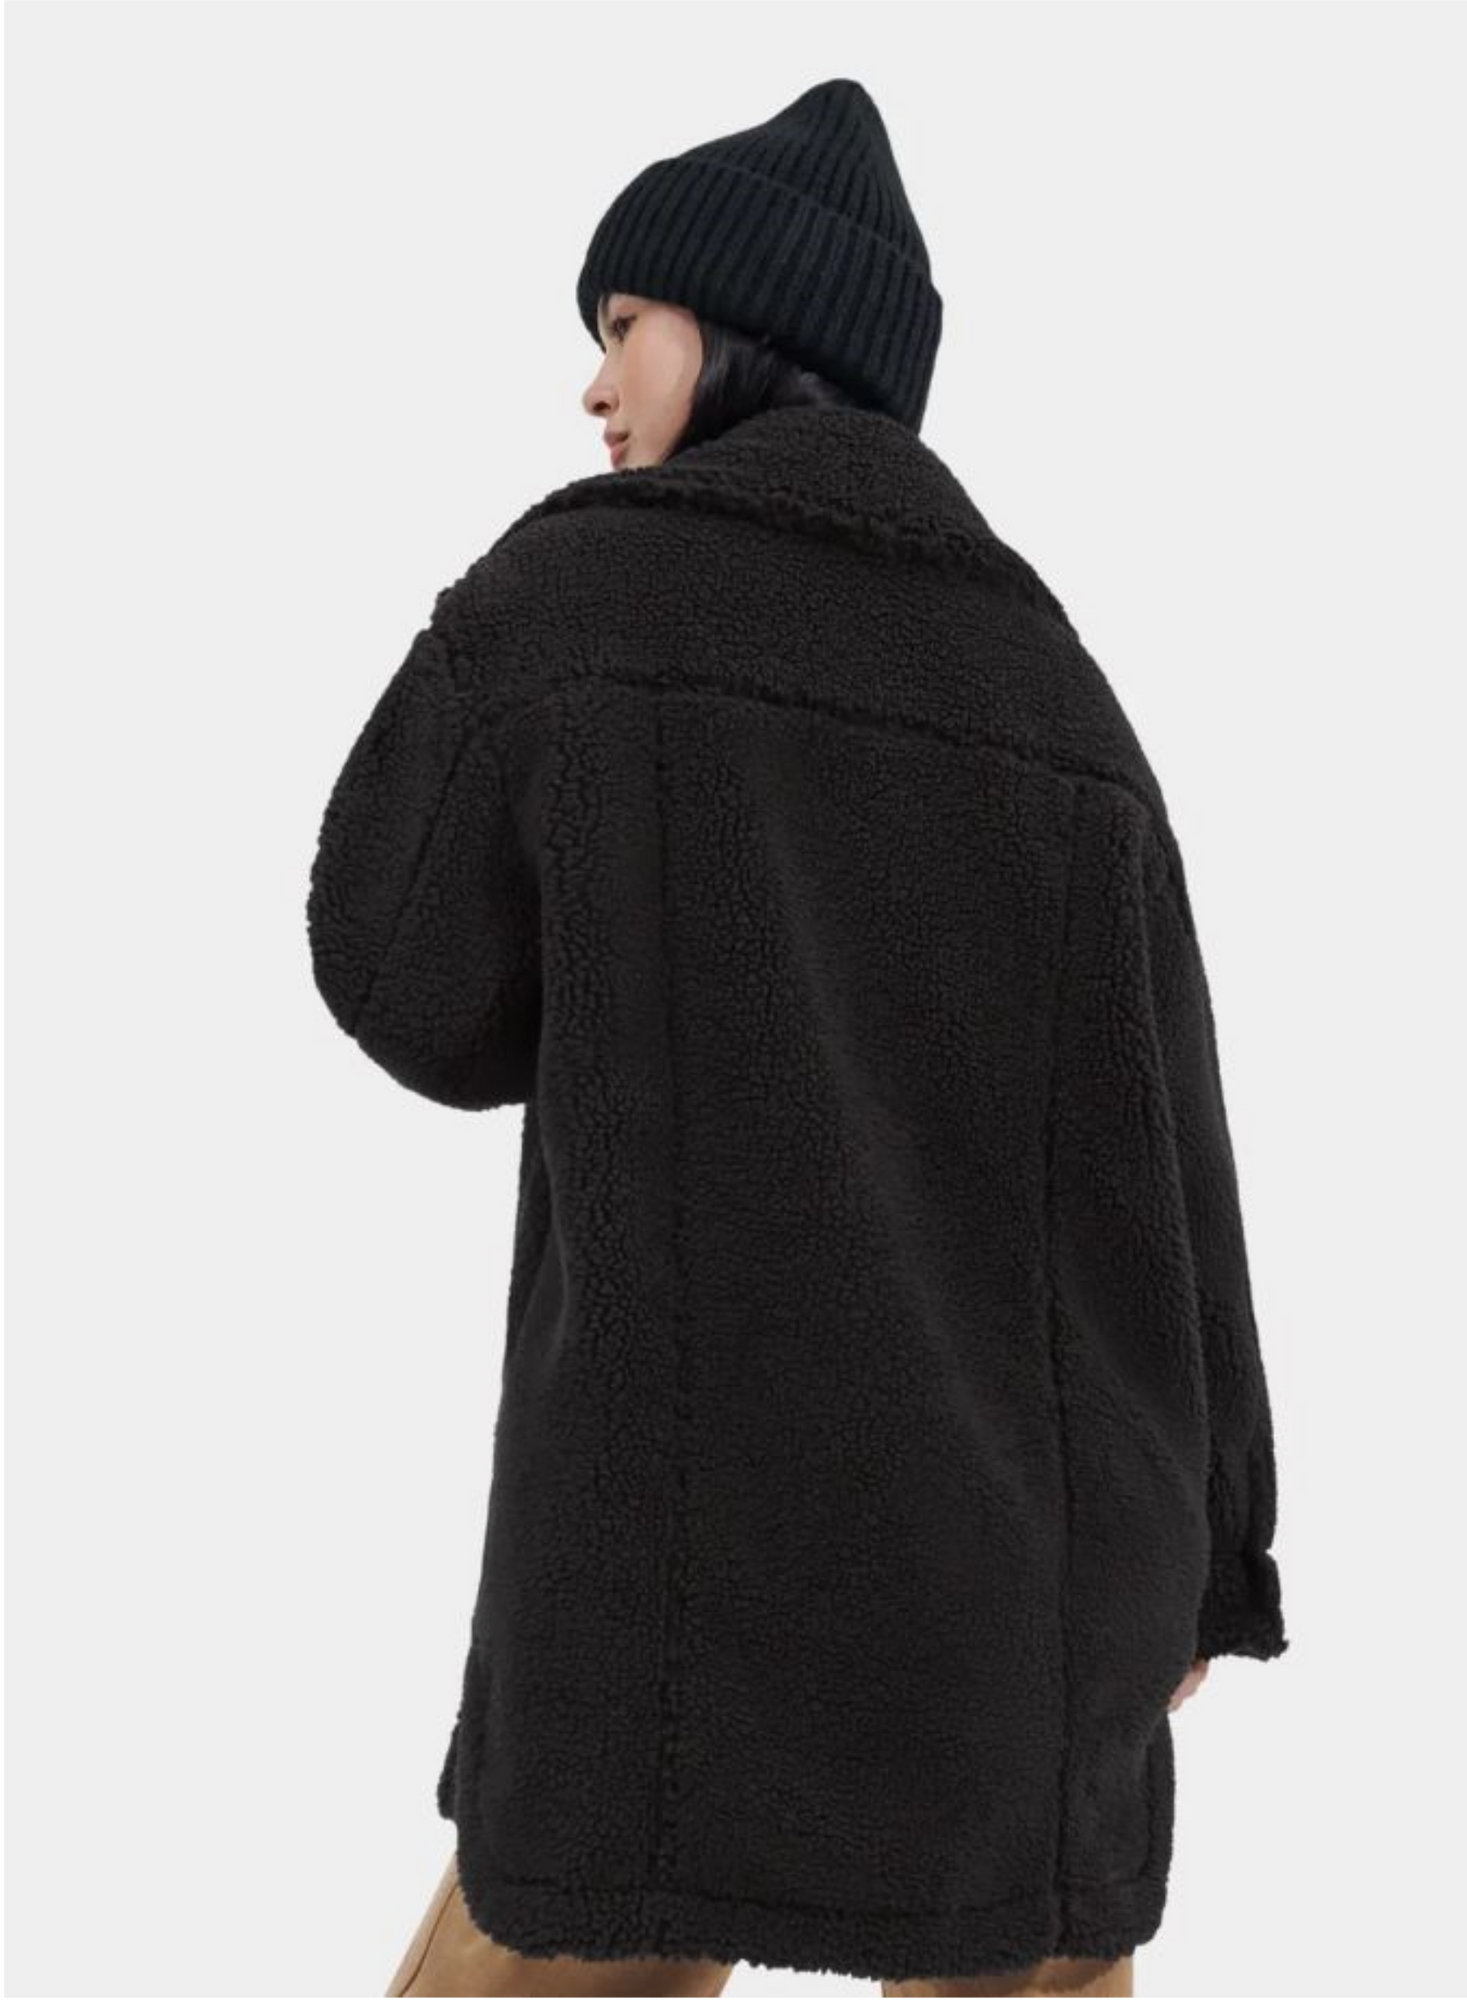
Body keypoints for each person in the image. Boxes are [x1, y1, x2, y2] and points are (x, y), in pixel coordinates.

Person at [308, 76, 1290, 2000]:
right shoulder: (1061, 689)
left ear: (743, 325)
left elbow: (404, 981)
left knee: (583, 1918)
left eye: (623, 324)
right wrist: (1219, 1548)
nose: (594, 386)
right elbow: (1179, 1151)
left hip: (676, 1595)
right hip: (1034, 1615)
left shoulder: (580, 595)